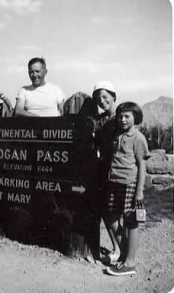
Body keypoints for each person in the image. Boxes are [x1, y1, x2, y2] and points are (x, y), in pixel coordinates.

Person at [104, 102, 150, 276]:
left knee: (131, 221)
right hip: (114, 182)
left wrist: (139, 191)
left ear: (135, 118)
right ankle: (124, 254)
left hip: (129, 183)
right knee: (110, 216)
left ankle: (130, 263)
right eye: (120, 116)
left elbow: (142, 166)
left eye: (127, 116)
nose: (122, 119)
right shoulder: (117, 135)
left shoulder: (138, 138)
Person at [92, 81, 119, 263]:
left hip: (116, 169)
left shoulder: (120, 119)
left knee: (114, 211)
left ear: (113, 97)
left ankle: (121, 249)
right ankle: (118, 248)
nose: (102, 101)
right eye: (98, 98)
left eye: (105, 97)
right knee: (105, 210)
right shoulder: (100, 120)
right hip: (102, 168)